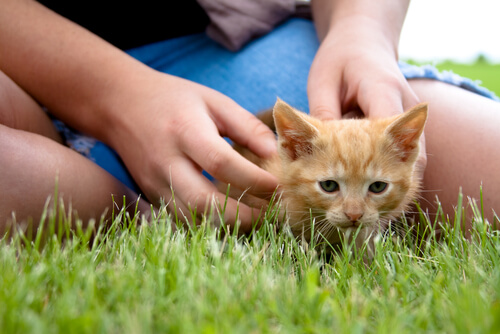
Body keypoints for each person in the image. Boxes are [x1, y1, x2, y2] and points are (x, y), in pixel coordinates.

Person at [0, 0, 499, 235]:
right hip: (29, 69)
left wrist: (361, 30)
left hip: (244, 47)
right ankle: (119, 203)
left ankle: (107, 197)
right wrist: (117, 96)